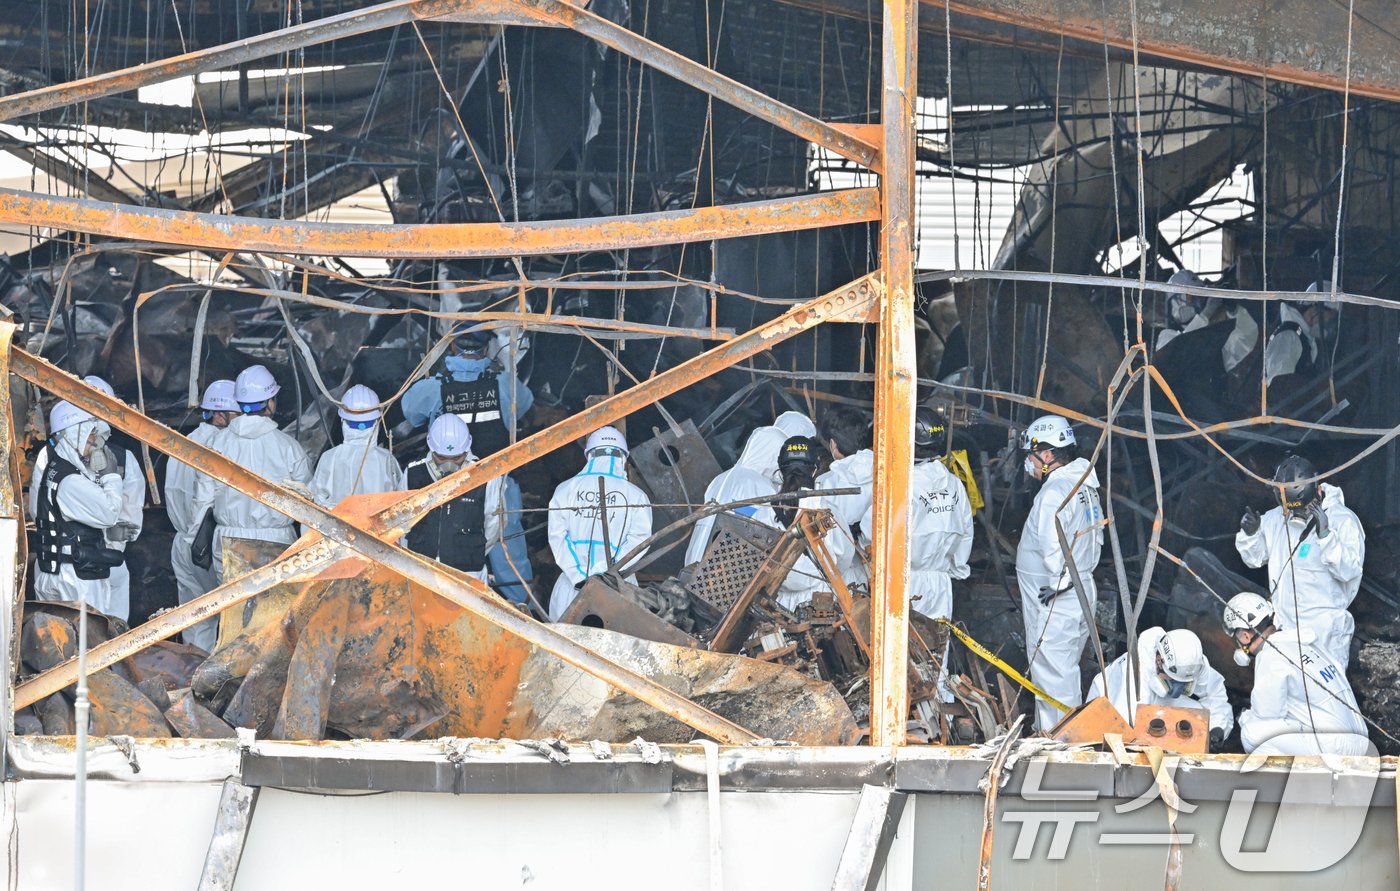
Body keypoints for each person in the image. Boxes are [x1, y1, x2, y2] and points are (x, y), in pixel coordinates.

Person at [860, 408, 973, 701]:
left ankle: (905, 721)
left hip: (904, 582)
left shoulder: (903, 485)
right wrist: (956, 569)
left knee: (901, 659)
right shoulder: (954, 484)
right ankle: (939, 719)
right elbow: (965, 535)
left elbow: (871, 530)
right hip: (940, 583)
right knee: (937, 656)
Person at [28, 376, 145, 621]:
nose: (94, 443)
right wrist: (110, 477)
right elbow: (120, 517)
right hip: (82, 568)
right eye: (90, 437)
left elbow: (38, 509)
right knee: (97, 642)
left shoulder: (52, 459)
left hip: (67, 563)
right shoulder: (90, 470)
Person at [1015, 414, 1104, 733]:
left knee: (1053, 678)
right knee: (1062, 672)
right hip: (1079, 590)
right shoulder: (1084, 486)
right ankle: (1055, 737)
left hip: (1056, 598)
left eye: (1032, 454)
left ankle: (1058, 750)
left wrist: (1055, 586)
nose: (1029, 462)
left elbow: (1053, 547)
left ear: (1048, 454)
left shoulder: (1055, 493)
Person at [1236, 454, 1363, 670]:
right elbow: (1254, 560)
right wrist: (1252, 534)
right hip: (1286, 630)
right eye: (1291, 509)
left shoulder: (1343, 520)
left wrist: (1326, 537)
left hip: (1326, 634)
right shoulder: (1278, 517)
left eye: (1302, 508)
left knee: (1326, 696)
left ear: (1317, 490)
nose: (1297, 515)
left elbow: (1349, 571)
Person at [191, 365, 312, 578]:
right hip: (278, 539)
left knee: (233, 608)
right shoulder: (288, 447)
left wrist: (194, 541)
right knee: (277, 608)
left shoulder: (217, 444)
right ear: (270, 403)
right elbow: (308, 502)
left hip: (228, 538)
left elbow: (202, 500)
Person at [1223, 592, 1368, 757]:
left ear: (1245, 635)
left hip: (1336, 746)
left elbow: (1267, 714)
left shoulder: (1271, 654)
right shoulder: (1306, 643)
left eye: (1238, 639)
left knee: (1253, 733)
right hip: (1361, 739)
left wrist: (1244, 717)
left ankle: (1292, 779)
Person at [547, 426, 652, 622]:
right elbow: (640, 541)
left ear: (589, 455)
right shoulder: (636, 496)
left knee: (561, 645)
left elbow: (557, 538)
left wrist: (579, 576)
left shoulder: (565, 490)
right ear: (623, 458)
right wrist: (607, 575)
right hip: (620, 591)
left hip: (570, 589)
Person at [165, 379, 238, 651]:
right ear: (220, 415)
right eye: (238, 413)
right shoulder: (224, 447)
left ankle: (192, 679)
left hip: (182, 543)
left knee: (195, 621)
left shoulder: (183, 443)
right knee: (228, 619)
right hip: (207, 546)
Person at [405, 414, 511, 588]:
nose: (449, 465)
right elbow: (401, 522)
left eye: (456, 459)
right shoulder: (413, 474)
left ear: (466, 451)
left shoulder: (486, 477)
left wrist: (470, 550)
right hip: (420, 568)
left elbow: (496, 523)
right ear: (431, 449)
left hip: (468, 572)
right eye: (441, 458)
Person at [400, 323, 534, 456]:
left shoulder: (429, 388)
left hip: (446, 472)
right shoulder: (506, 383)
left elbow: (412, 416)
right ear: (485, 349)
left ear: (452, 345)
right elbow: (524, 409)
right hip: (497, 472)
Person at [1088, 626, 1233, 748]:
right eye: (1174, 679)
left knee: (1201, 716)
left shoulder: (1193, 664)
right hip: (1108, 709)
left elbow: (1215, 694)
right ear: (1159, 661)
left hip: (1153, 704)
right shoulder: (1135, 675)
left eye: (1184, 682)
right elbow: (1125, 735)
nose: (1178, 687)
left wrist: (1217, 728)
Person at [683, 424, 786, 566]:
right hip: (722, 568)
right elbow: (767, 529)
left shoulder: (721, 477)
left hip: (693, 559)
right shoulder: (759, 484)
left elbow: (740, 512)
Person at [312, 384, 405, 508]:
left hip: (335, 526)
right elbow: (400, 503)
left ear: (343, 421)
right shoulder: (386, 459)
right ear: (377, 421)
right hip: (378, 527)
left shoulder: (329, 458)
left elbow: (315, 503)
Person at [812, 406, 875, 586]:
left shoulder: (825, 484)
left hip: (841, 575)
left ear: (833, 444)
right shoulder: (886, 474)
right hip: (880, 572)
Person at [1154, 269, 1258, 372]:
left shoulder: (1212, 343)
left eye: (1197, 295)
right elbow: (1182, 353)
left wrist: (1234, 311)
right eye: (1189, 296)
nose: (1193, 301)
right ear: (1174, 302)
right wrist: (1205, 315)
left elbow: (1245, 341)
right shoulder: (1166, 338)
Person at [772, 435, 826, 611]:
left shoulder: (766, 508)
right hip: (821, 603)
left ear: (780, 470)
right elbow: (843, 556)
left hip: (777, 605)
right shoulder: (825, 507)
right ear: (815, 469)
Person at [1263, 282, 1337, 383]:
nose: (1327, 328)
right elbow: (1280, 386)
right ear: (1314, 312)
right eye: (1327, 321)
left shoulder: (1302, 338)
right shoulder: (1289, 337)